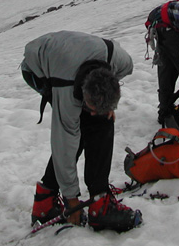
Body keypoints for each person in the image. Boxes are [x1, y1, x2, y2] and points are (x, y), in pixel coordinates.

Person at [21, 30, 141, 232]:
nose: (92, 112)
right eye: (89, 106)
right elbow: (64, 144)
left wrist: (106, 107)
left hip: (74, 56)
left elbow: (117, 76)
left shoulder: (121, 62)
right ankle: (54, 204)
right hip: (38, 68)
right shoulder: (66, 89)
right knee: (78, 131)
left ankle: (64, 200)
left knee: (101, 120)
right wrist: (72, 200)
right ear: (83, 94)